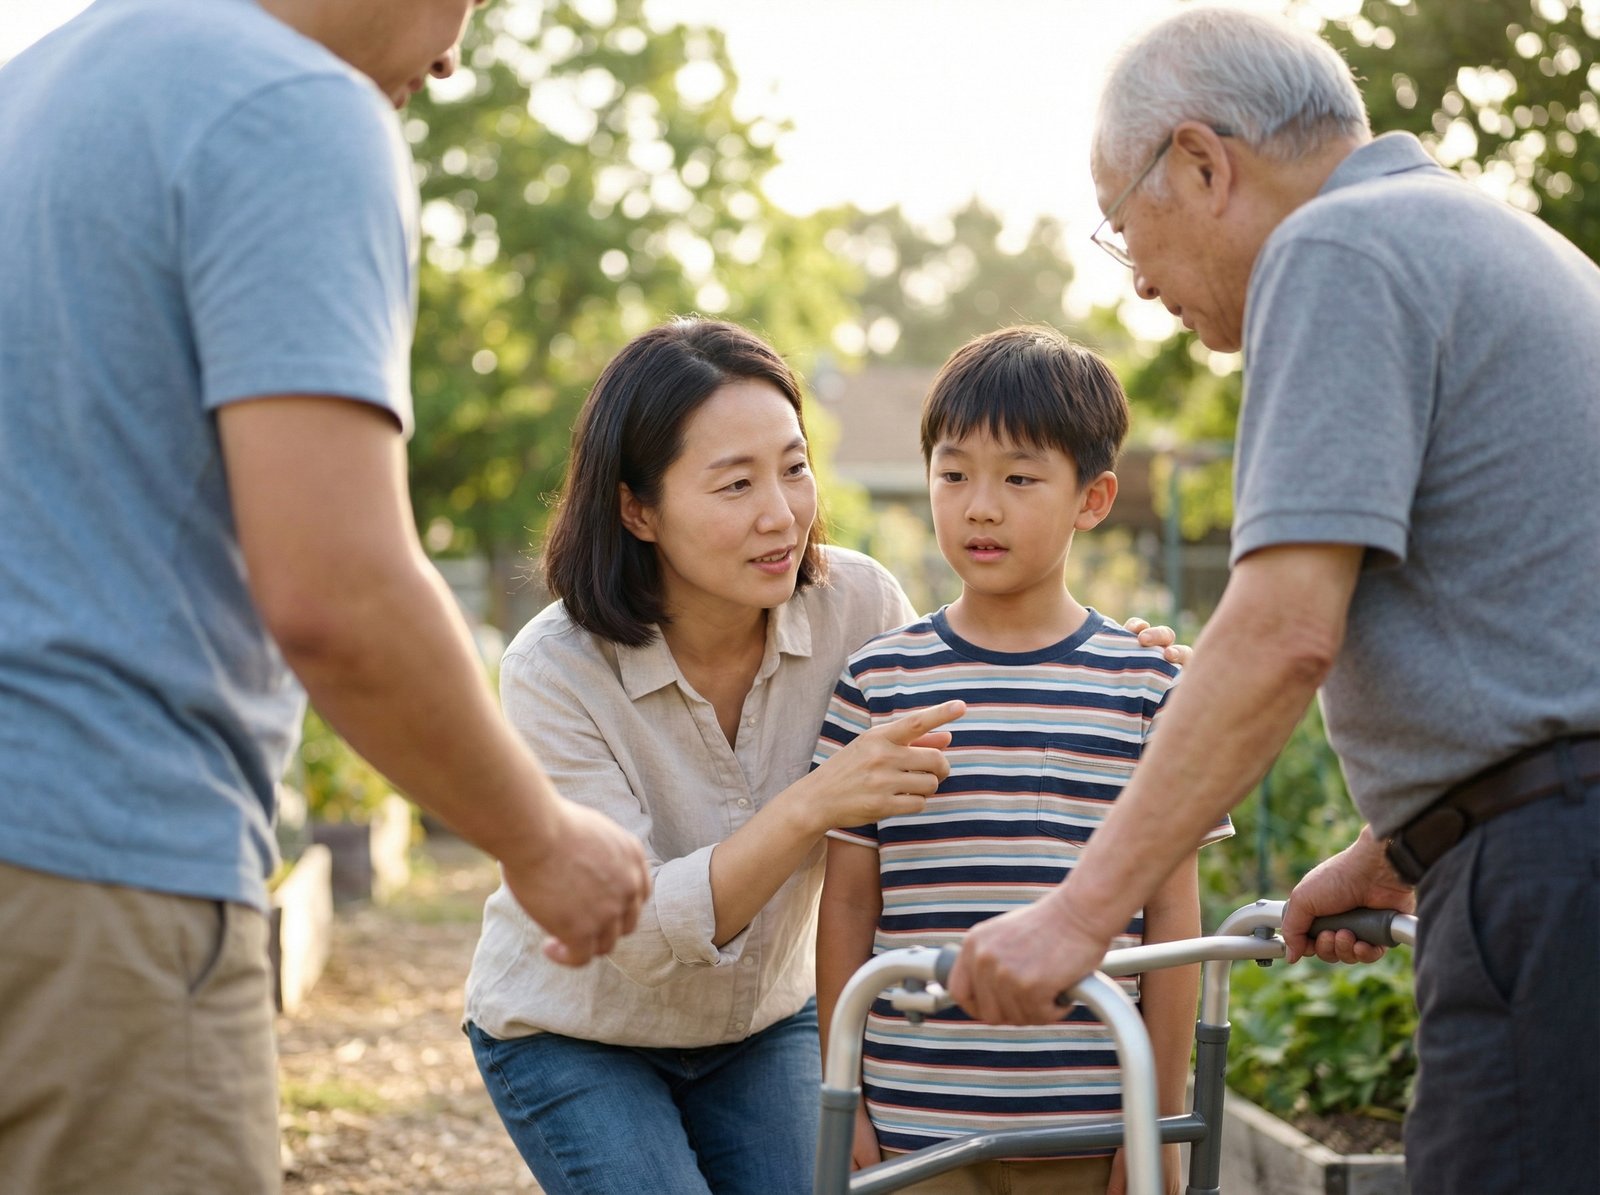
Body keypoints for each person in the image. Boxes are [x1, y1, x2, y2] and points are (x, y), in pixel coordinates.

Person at [946, 9, 1600, 1195]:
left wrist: (1078, 916)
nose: (1137, 279)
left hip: (1555, 883)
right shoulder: (1510, 246)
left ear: (1201, 164)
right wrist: (1394, 847)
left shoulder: (1337, 248)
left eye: (1121, 226)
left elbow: (1282, 627)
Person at [0, 2, 649, 1192]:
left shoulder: (35, 89)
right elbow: (335, 588)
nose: (456, 53)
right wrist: (537, 837)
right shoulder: (295, 110)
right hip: (92, 878)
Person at [461, 318, 1189, 1195]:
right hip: (580, 1025)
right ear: (637, 508)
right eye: (735, 484)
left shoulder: (860, 605)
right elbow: (639, 931)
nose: (782, 513)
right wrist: (814, 801)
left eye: (794, 467)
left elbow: (985, 667)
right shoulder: (555, 669)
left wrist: (1135, 664)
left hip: (765, 1026)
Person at [815, 327, 1230, 1195]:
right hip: (912, 1126)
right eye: (954, 472)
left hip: (1084, 1119)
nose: (980, 506)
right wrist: (841, 1091)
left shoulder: (1150, 685)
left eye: (1019, 477)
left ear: (1093, 497)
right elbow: (849, 902)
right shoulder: (879, 680)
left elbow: (1174, 927)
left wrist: (1154, 1119)